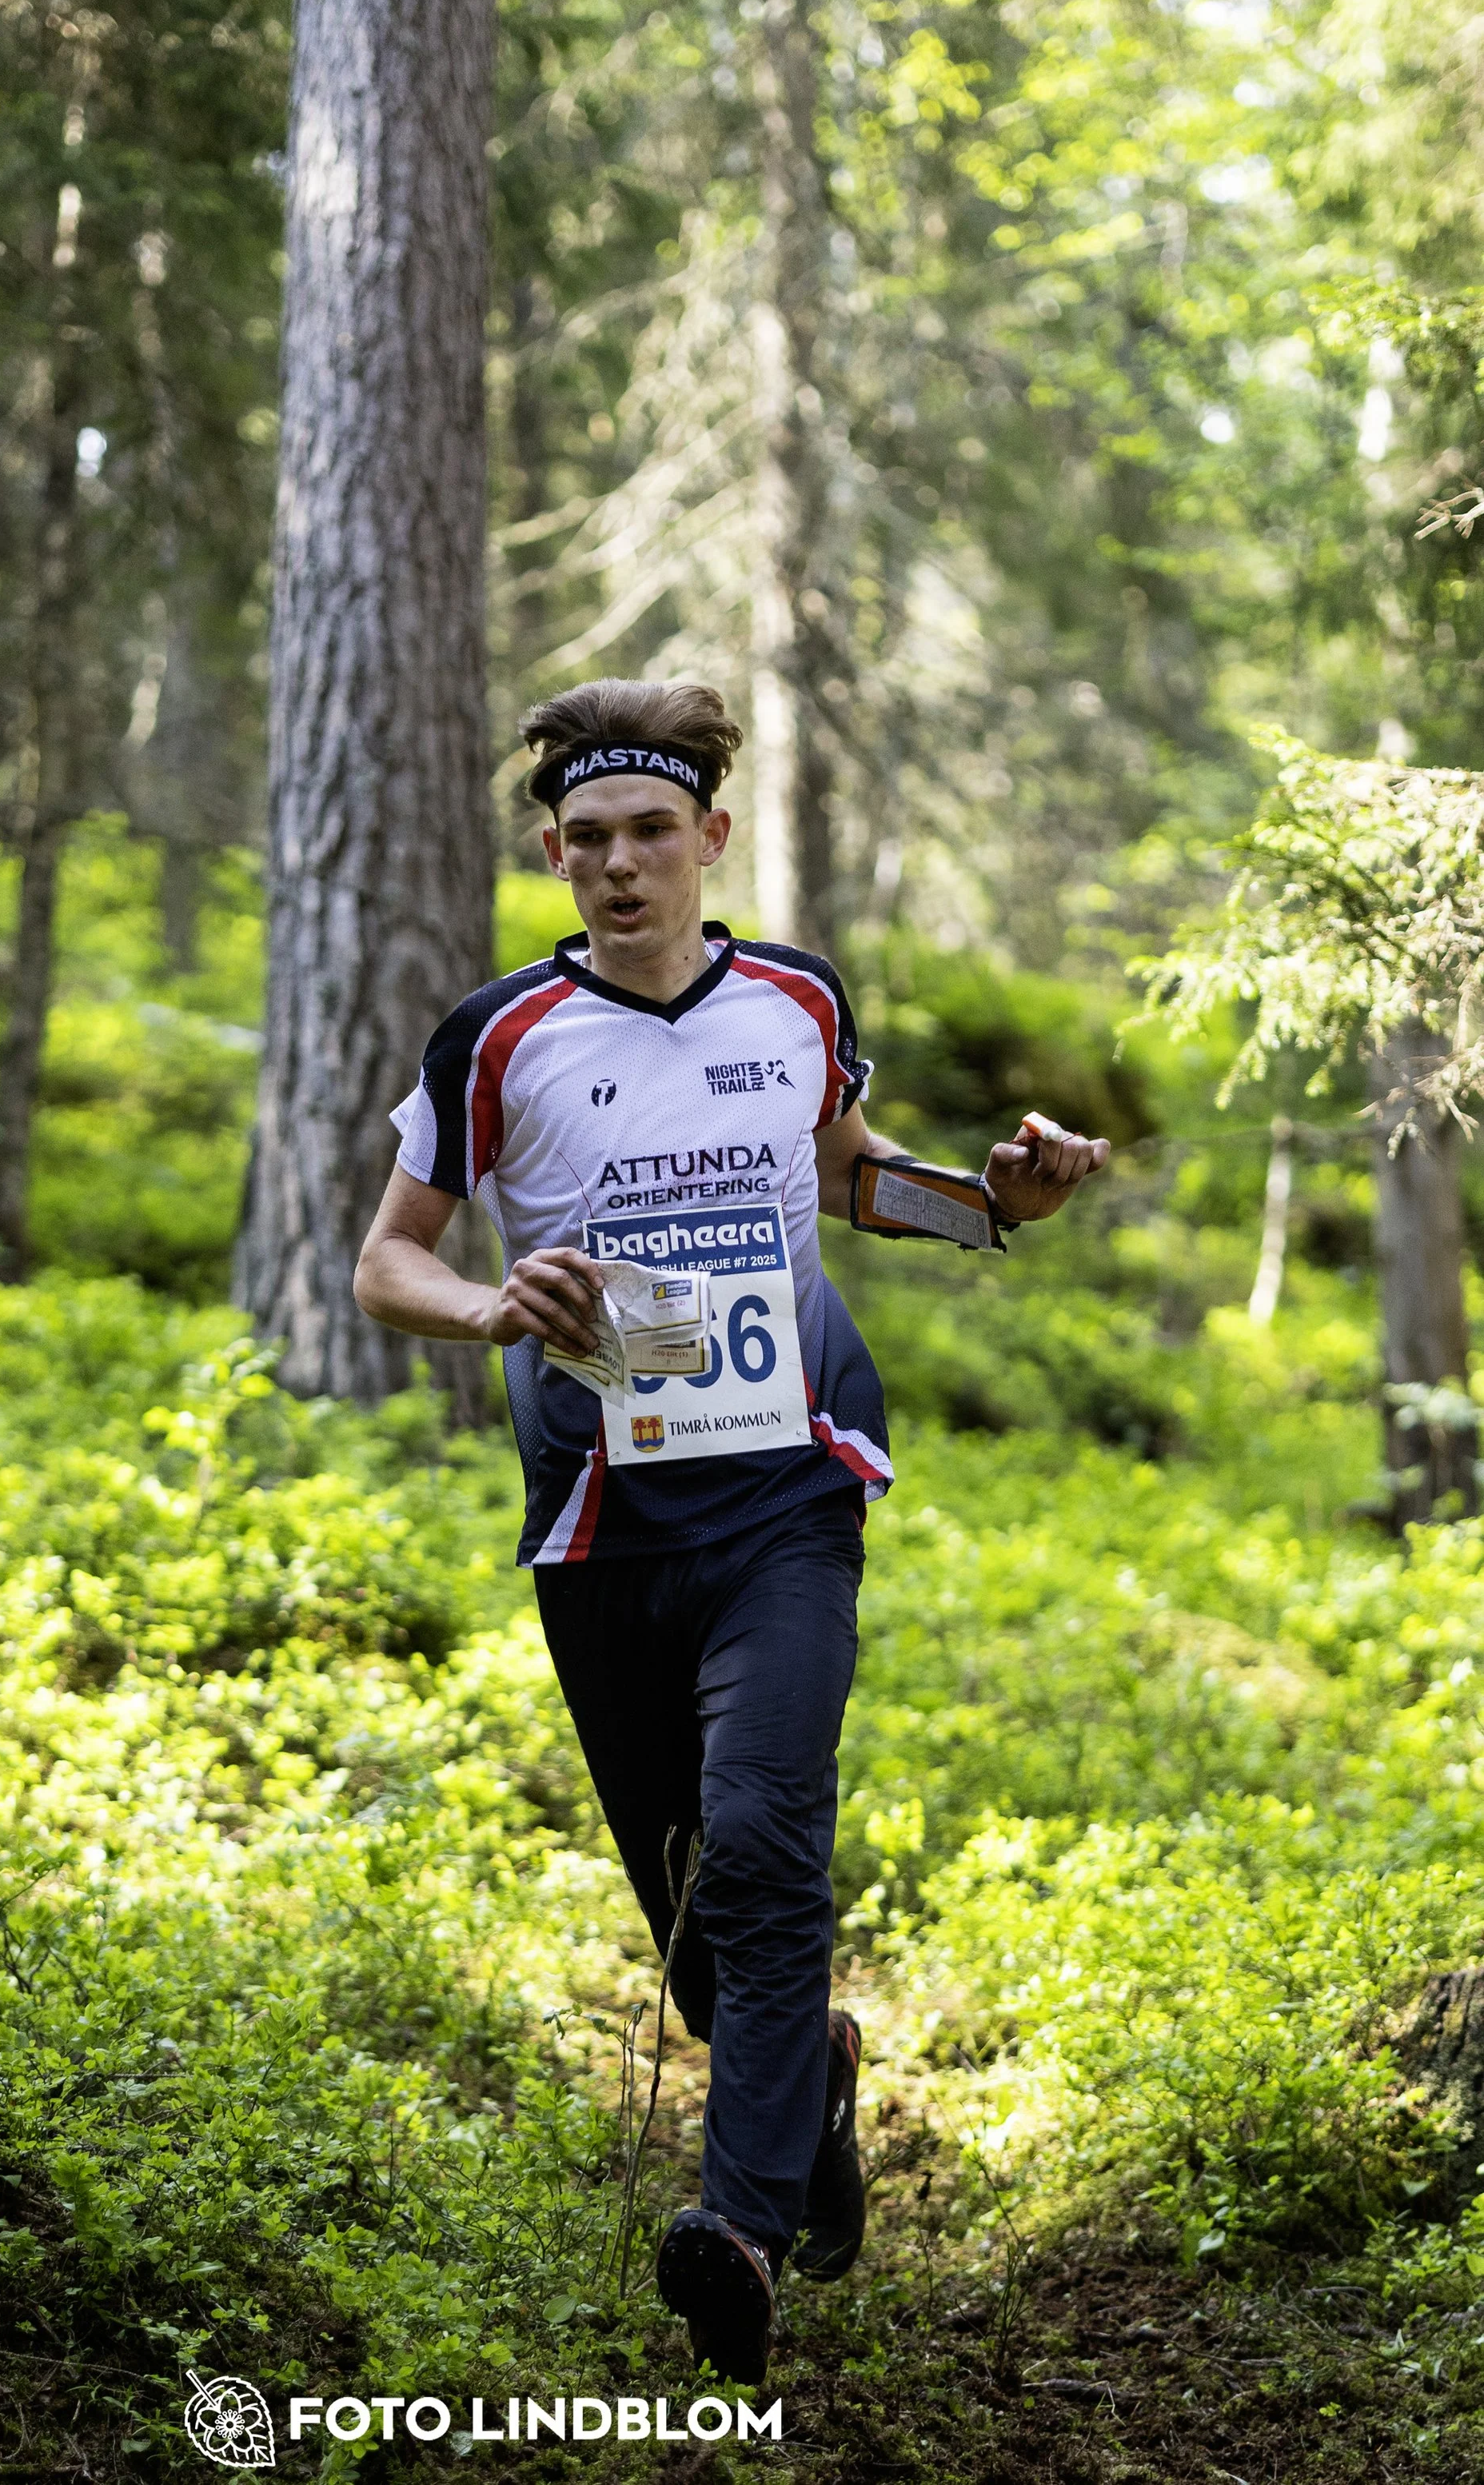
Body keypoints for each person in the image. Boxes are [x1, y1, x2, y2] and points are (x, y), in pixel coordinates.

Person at [353, 677, 1107, 2385]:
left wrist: (995, 1199)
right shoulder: (494, 1037)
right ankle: (806, 2086)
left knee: (764, 1844)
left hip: (785, 1489)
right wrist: (488, 1309)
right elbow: (381, 1260)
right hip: (602, 1513)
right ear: (552, 854)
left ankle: (740, 2232)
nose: (619, 867)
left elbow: (844, 1168)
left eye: (650, 833)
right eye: (586, 842)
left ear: (707, 837)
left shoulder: (791, 998)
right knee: (700, 1922)